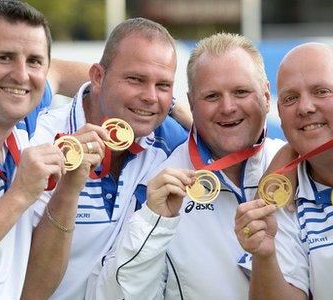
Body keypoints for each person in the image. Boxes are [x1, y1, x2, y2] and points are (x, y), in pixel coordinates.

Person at [85, 32, 293, 300]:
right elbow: (113, 296)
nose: (228, 107)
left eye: (241, 92)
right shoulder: (155, 184)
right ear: (191, 103)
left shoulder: (302, 168)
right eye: (212, 96)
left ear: (266, 95)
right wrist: (153, 222)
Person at [0, 1, 104, 299]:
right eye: (5, 57)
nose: (22, 75)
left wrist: (68, 190)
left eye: (35, 61)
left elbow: (33, 291)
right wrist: (21, 194)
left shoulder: (21, 129)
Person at [24, 17, 189, 299]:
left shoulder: (171, 141)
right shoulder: (38, 140)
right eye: (136, 79)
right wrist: (69, 187)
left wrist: (184, 115)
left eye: (163, 85)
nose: (150, 97)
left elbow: (227, 140)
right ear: (98, 77)